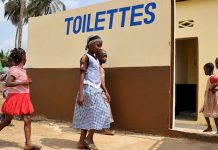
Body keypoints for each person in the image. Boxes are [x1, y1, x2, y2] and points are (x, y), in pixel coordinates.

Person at [73, 35, 110, 150]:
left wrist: (105, 90)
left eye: (101, 46)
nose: (99, 48)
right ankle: (89, 139)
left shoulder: (96, 59)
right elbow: (82, 75)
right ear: (90, 45)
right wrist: (80, 93)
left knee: (88, 115)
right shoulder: (86, 57)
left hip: (96, 89)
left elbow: (98, 77)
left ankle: (81, 142)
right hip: (89, 89)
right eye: (97, 45)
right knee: (103, 112)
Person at [0, 48, 41, 149]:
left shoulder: (21, 70)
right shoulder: (14, 70)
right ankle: (28, 143)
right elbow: (8, 83)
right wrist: (24, 82)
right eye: (25, 56)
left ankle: (28, 144)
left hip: (24, 98)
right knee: (7, 121)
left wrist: (26, 82)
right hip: (15, 98)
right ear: (22, 57)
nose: (26, 58)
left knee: (27, 120)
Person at [96, 49, 114, 135]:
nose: (105, 58)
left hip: (99, 90)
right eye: (103, 56)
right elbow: (100, 81)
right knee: (106, 107)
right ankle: (105, 129)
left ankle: (103, 128)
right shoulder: (97, 67)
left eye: (106, 56)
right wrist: (106, 91)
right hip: (99, 90)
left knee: (101, 108)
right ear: (97, 56)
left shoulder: (100, 66)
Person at [200, 63, 218, 134]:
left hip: (212, 99)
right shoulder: (211, 77)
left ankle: (215, 129)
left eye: (205, 70)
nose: (204, 71)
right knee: (204, 111)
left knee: (215, 114)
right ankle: (209, 127)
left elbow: (217, 84)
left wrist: (213, 88)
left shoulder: (213, 77)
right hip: (208, 98)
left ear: (208, 69)